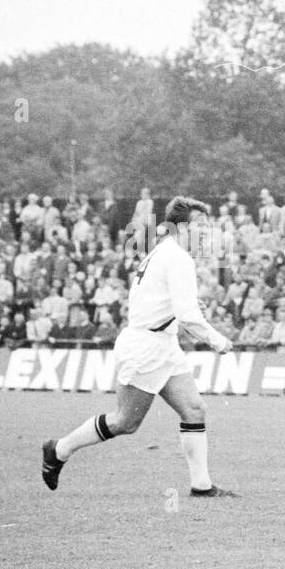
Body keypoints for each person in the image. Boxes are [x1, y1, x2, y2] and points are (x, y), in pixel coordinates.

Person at [41, 197, 237, 496]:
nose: (204, 232)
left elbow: (152, 299)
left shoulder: (166, 252)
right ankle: (59, 449)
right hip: (145, 347)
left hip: (163, 343)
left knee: (194, 409)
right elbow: (188, 316)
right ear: (180, 227)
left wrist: (173, 311)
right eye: (199, 226)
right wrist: (217, 340)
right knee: (125, 422)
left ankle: (201, 486)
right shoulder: (177, 257)